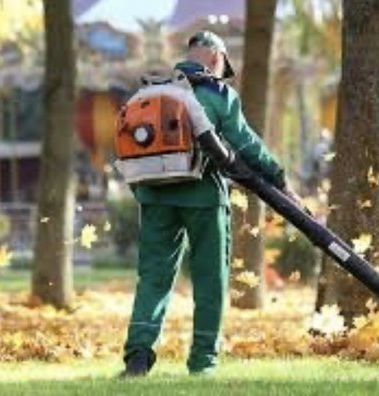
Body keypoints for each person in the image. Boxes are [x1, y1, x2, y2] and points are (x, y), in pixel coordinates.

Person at [120, 30, 302, 377]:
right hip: (202, 197)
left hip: (154, 197)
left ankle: (138, 357)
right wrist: (280, 180)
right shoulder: (217, 93)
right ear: (217, 58)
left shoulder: (149, 93)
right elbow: (246, 145)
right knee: (210, 280)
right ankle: (203, 362)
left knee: (153, 279)